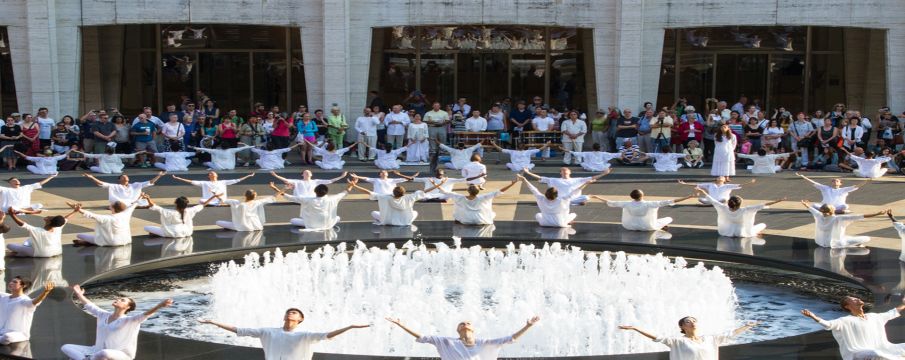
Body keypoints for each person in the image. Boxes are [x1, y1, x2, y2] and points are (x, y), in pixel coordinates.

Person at [199, 308, 370, 360]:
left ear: (301, 319)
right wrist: (215, 322)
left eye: (295, 313)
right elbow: (239, 330)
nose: (291, 314)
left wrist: (350, 327)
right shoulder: (267, 332)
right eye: (289, 312)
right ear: (283, 317)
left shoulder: (305, 335)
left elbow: (328, 335)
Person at [61, 284, 173, 360]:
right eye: (118, 298)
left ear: (127, 307)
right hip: (95, 350)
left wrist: (160, 305)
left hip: (121, 355)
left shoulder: (130, 320)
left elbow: (146, 314)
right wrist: (79, 294)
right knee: (66, 347)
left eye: (122, 300)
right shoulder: (103, 314)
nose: (118, 300)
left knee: (104, 353)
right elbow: (90, 306)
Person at [800, 295, 905, 360]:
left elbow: (893, 313)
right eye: (853, 299)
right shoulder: (845, 321)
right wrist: (814, 317)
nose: (857, 299)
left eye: (856, 298)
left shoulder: (874, 317)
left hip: (881, 348)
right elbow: (829, 325)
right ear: (847, 306)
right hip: (858, 353)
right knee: (875, 353)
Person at [386, 316, 540, 360]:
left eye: (468, 323)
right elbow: (423, 337)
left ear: (472, 328)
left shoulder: (484, 342)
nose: (465, 324)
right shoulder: (446, 342)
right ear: (458, 329)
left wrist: (528, 326)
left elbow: (510, 338)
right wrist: (401, 325)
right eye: (462, 323)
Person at [619, 318, 757, 360]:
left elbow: (731, 334)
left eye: (694, 320)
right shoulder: (677, 341)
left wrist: (746, 326)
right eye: (688, 321)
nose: (692, 322)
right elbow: (656, 337)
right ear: (682, 327)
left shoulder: (710, 339)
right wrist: (636, 328)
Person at [349, 179, 443, 226]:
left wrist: (354, 186)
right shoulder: (410, 197)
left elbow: (368, 192)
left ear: (393, 192)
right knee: (415, 212)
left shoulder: (385, 197)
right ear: (404, 193)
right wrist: (438, 185)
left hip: (388, 221)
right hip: (406, 221)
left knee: (373, 213)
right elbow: (425, 191)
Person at [593, 190, 695, 231]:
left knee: (663, 220)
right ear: (642, 195)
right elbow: (671, 201)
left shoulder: (626, 203)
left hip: (630, 226)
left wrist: (597, 197)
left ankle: (660, 226)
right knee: (669, 218)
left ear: (632, 196)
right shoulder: (649, 204)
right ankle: (661, 227)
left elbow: (610, 202)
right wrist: (688, 197)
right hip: (647, 226)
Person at [801, 200, 885, 248]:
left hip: (821, 242)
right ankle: (854, 245)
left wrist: (806, 204)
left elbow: (811, 209)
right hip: (835, 243)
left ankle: (853, 243)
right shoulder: (838, 218)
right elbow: (859, 216)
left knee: (848, 237)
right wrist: (877, 214)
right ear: (833, 210)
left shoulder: (819, 215)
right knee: (867, 238)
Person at [436, 178, 519, 225]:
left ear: (468, 190)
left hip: (465, 220)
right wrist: (512, 184)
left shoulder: (460, 197)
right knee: (492, 214)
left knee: (457, 211)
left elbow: (445, 192)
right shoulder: (483, 197)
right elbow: (500, 191)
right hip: (481, 220)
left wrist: (435, 184)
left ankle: (457, 225)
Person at [519, 174, 592, 228]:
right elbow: (576, 191)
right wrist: (586, 183)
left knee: (538, 215)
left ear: (545, 193)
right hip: (560, 224)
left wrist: (524, 179)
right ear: (557, 194)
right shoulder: (563, 199)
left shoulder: (540, 198)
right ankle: (568, 222)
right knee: (574, 214)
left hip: (544, 223)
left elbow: (533, 189)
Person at [702, 191, 784, 237]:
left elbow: (712, 200)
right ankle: (756, 233)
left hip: (728, 231)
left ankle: (755, 233)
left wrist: (702, 191)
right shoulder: (746, 209)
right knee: (763, 224)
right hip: (741, 232)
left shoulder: (724, 208)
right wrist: (778, 201)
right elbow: (764, 205)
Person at [0, 278, 54, 345]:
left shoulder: (24, 301)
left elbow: (35, 301)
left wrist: (45, 293)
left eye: (14, 282)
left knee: (7, 337)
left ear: (23, 286)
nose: (11, 283)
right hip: (1, 331)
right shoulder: (3, 297)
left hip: (19, 334)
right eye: (11, 281)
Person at [283, 181, 355, 230]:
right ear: (326, 192)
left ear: (315, 191)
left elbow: (290, 197)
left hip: (311, 225)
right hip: (328, 225)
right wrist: (351, 185)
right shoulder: (333, 199)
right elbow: (345, 192)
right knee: (338, 218)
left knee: (292, 220)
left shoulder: (308, 199)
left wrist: (276, 188)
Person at [5, 208, 76, 257]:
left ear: (49, 222)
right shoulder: (58, 227)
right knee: (28, 242)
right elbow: (66, 219)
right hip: (57, 251)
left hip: (40, 254)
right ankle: (18, 254)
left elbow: (23, 224)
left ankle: (17, 253)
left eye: (50, 217)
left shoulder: (38, 230)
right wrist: (75, 211)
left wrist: (12, 215)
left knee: (10, 246)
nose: (48, 216)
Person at [522, 167, 610, 206]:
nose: (564, 172)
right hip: (560, 199)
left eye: (566, 170)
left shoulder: (578, 179)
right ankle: (574, 204)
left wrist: (604, 174)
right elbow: (540, 177)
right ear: (560, 173)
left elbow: (593, 177)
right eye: (562, 171)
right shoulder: (554, 180)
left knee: (586, 197)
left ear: (570, 172)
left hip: (573, 198)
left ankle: (574, 203)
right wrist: (528, 173)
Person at [143, 193, 219, 238]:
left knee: (146, 227)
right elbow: (203, 204)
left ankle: (158, 235)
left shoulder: (168, 212)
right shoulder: (190, 210)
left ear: (176, 203)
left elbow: (154, 206)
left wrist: (148, 198)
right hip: (186, 232)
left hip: (170, 233)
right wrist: (213, 197)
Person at [215, 186, 285, 231]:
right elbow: (273, 197)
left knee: (218, 222)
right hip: (256, 225)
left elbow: (222, 200)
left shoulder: (236, 202)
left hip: (240, 226)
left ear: (245, 195)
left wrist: (215, 194)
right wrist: (284, 189)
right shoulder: (258, 202)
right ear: (255, 196)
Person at [69, 201, 137, 247]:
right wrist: (141, 197)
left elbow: (91, 215)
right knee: (93, 238)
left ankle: (88, 242)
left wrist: (79, 210)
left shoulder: (106, 218)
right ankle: (88, 242)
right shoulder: (126, 214)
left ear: (112, 208)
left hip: (109, 242)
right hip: (124, 240)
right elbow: (132, 206)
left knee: (79, 235)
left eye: (111, 205)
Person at [795, 173, 868, 213]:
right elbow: (814, 183)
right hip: (826, 206)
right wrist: (803, 176)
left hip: (838, 207)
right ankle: (832, 211)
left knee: (845, 206)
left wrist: (866, 181)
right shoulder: (825, 188)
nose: (835, 182)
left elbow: (856, 186)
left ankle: (830, 211)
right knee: (814, 205)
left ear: (840, 183)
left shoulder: (844, 189)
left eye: (837, 181)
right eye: (833, 181)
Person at [171, 171, 255, 206]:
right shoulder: (205, 183)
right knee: (201, 201)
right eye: (210, 173)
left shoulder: (223, 182)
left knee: (236, 201)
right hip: (210, 200)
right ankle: (215, 204)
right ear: (209, 176)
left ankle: (219, 203)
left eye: (213, 173)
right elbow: (191, 181)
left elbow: (237, 180)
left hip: (223, 200)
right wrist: (179, 178)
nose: (212, 174)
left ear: (216, 175)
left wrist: (248, 176)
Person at [83, 172, 164, 206]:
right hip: (123, 202)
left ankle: (135, 203)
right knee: (120, 203)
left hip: (134, 202)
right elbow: (101, 183)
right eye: (123, 176)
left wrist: (159, 175)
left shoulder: (135, 185)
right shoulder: (115, 186)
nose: (125, 176)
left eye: (126, 176)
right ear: (119, 179)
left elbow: (150, 182)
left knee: (147, 202)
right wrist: (91, 177)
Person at [271, 170, 348, 199]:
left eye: (308, 172)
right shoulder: (297, 181)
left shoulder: (316, 181)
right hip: (300, 198)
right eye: (305, 172)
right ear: (302, 175)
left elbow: (330, 181)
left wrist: (342, 176)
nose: (307, 173)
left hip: (311, 198)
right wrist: (276, 175)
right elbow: (286, 179)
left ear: (311, 174)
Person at [678, 177, 755, 205]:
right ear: (716, 179)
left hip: (721, 199)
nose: (720, 178)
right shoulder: (710, 184)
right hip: (711, 199)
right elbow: (698, 184)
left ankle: (715, 203)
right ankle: (712, 203)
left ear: (724, 180)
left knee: (724, 199)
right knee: (700, 199)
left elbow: (740, 185)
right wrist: (685, 183)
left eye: (722, 177)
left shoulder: (727, 186)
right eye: (719, 177)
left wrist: (749, 182)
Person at [77, 146, 144, 174]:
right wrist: (138, 152)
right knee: (122, 165)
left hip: (104, 169)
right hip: (115, 169)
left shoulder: (102, 155)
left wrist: (78, 152)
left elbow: (90, 155)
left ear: (106, 151)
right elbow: (128, 155)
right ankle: (112, 170)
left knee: (92, 168)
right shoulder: (117, 155)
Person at [190, 142, 254, 170]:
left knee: (207, 163)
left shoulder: (216, 151)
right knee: (210, 163)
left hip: (219, 167)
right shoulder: (232, 150)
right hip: (230, 167)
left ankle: (210, 166)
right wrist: (252, 146)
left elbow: (205, 149)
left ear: (221, 146)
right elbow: (242, 148)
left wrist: (195, 148)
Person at [350, 171, 415, 196]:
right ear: (380, 175)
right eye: (381, 172)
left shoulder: (392, 180)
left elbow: (408, 178)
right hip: (378, 196)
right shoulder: (376, 180)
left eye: (385, 172)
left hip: (390, 195)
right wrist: (357, 176)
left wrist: (400, 174)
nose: (383, 173)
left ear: (387, 174)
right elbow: (366, 178)